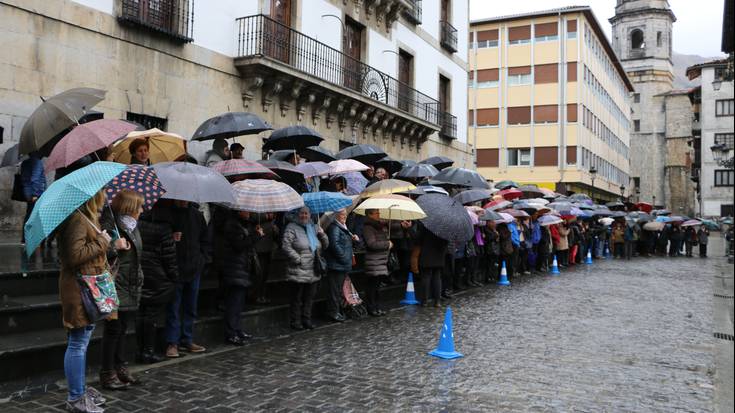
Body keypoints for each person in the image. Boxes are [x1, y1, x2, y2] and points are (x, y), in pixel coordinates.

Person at [57, 190, 115, 412]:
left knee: (82, 341)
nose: (105, 197)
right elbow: (74, 255)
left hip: (87, 286)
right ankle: (75, 397)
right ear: (93, 197)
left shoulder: (86, 218)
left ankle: (80, 390)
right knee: (77, 343)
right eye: (102, 193)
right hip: (79, 288)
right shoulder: (77, 219)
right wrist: (102, 240)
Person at [99, 190, 144, 390]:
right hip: (116, 283)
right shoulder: (111, 224)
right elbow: (100, 250)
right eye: (139, 207)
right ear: (130, 208)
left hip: (131, 283)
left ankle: (120, 367)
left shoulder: (132, 226)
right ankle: (107, 373)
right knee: (113, 329)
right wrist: (114, 246)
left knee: (123, 329)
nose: (142, 210)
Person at [165, 200, 210, 357]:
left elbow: (205, 240)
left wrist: (202, 259)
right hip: (175, 268)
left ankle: (187, 338)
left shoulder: (197, 215)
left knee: (190, 307)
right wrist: (171, 239)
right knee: (174, 308)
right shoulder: (168, 215)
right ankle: (172, 342)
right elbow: (161, 239)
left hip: (193, 267)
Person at [136, 202, 179, 363]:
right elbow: (169, 257)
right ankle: (148, 351)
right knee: (151, 315)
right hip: (157, 277)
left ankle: (141, 350)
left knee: (141, 313)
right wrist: (174, 276)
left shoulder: (138, 224)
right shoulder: (163, 228)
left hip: (141, 273)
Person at [218, 209, 263, 345]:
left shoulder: (243, 224)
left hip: (242, 268)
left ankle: (237, 329)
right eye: (245, 210)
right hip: (234, 268)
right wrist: (255, 235)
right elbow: (239, 245)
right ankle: (231, 333)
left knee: (239, 303)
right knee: (233, 303)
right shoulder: (232, 225)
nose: (248, 212)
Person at [282, 206, 328, 330]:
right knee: (296, 298)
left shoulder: (314, 227)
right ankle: (295, 321)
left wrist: (322, 235)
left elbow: (325, 245)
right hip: (298, 269)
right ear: (298, 214)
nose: (304, 216)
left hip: (313, 268)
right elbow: (286, 246)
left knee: (309, 297)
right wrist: (298, 259)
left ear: (310, 215)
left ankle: (306, 320)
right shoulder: (291, 227)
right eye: (302, 213)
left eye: (306, 214)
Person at [324, 209, 357, 322]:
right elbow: (334, 245)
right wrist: (344, 258)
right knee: (334, 290)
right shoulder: (334, 228)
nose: (344, 216)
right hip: (337, 264)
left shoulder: (343, 227)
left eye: (345, 214)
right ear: (336, 216)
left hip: (341, 264)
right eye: (342, 214)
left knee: (337, 290)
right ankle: (333, 312)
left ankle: (336, 311)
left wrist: (353, 239)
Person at [362, 209, 392, 316]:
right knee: (372, 286)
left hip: (381, 261)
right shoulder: (368, 227)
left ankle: (377, 307)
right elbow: (372, 244)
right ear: (370, 215)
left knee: (378, 286)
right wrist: (386, 244)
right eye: (377, 213)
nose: (379, 214)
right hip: (373, 262)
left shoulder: (380, 226)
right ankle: (371, 308)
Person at [412, 222, 448, 307]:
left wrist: (409, 229)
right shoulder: (443, 225)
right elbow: (446, 241)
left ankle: (424, 301)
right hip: (439, 254)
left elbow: (417, 239)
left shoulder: (425, 224)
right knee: (437, 277)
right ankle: (437, 301)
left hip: (427, 254)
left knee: (426, 277)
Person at [252, 213, 279, 304]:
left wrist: (275, 230)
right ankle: (256, 296)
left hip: (268, 245)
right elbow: (251, 217)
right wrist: (267, 217)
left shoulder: (271, 206)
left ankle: (262, 295)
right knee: (258, 273)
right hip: (258, 246)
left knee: (265, 273)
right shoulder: (256, 206)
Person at [20, 151, 46, 243]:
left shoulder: (25, 162)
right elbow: (35, 178)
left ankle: (25, 239)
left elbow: (23, 178)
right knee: (36, 216)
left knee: (29, 215)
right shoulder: (37, 162)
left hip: (27, 192)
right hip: (35, 193)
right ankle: (34, 239)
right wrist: (35, 194)